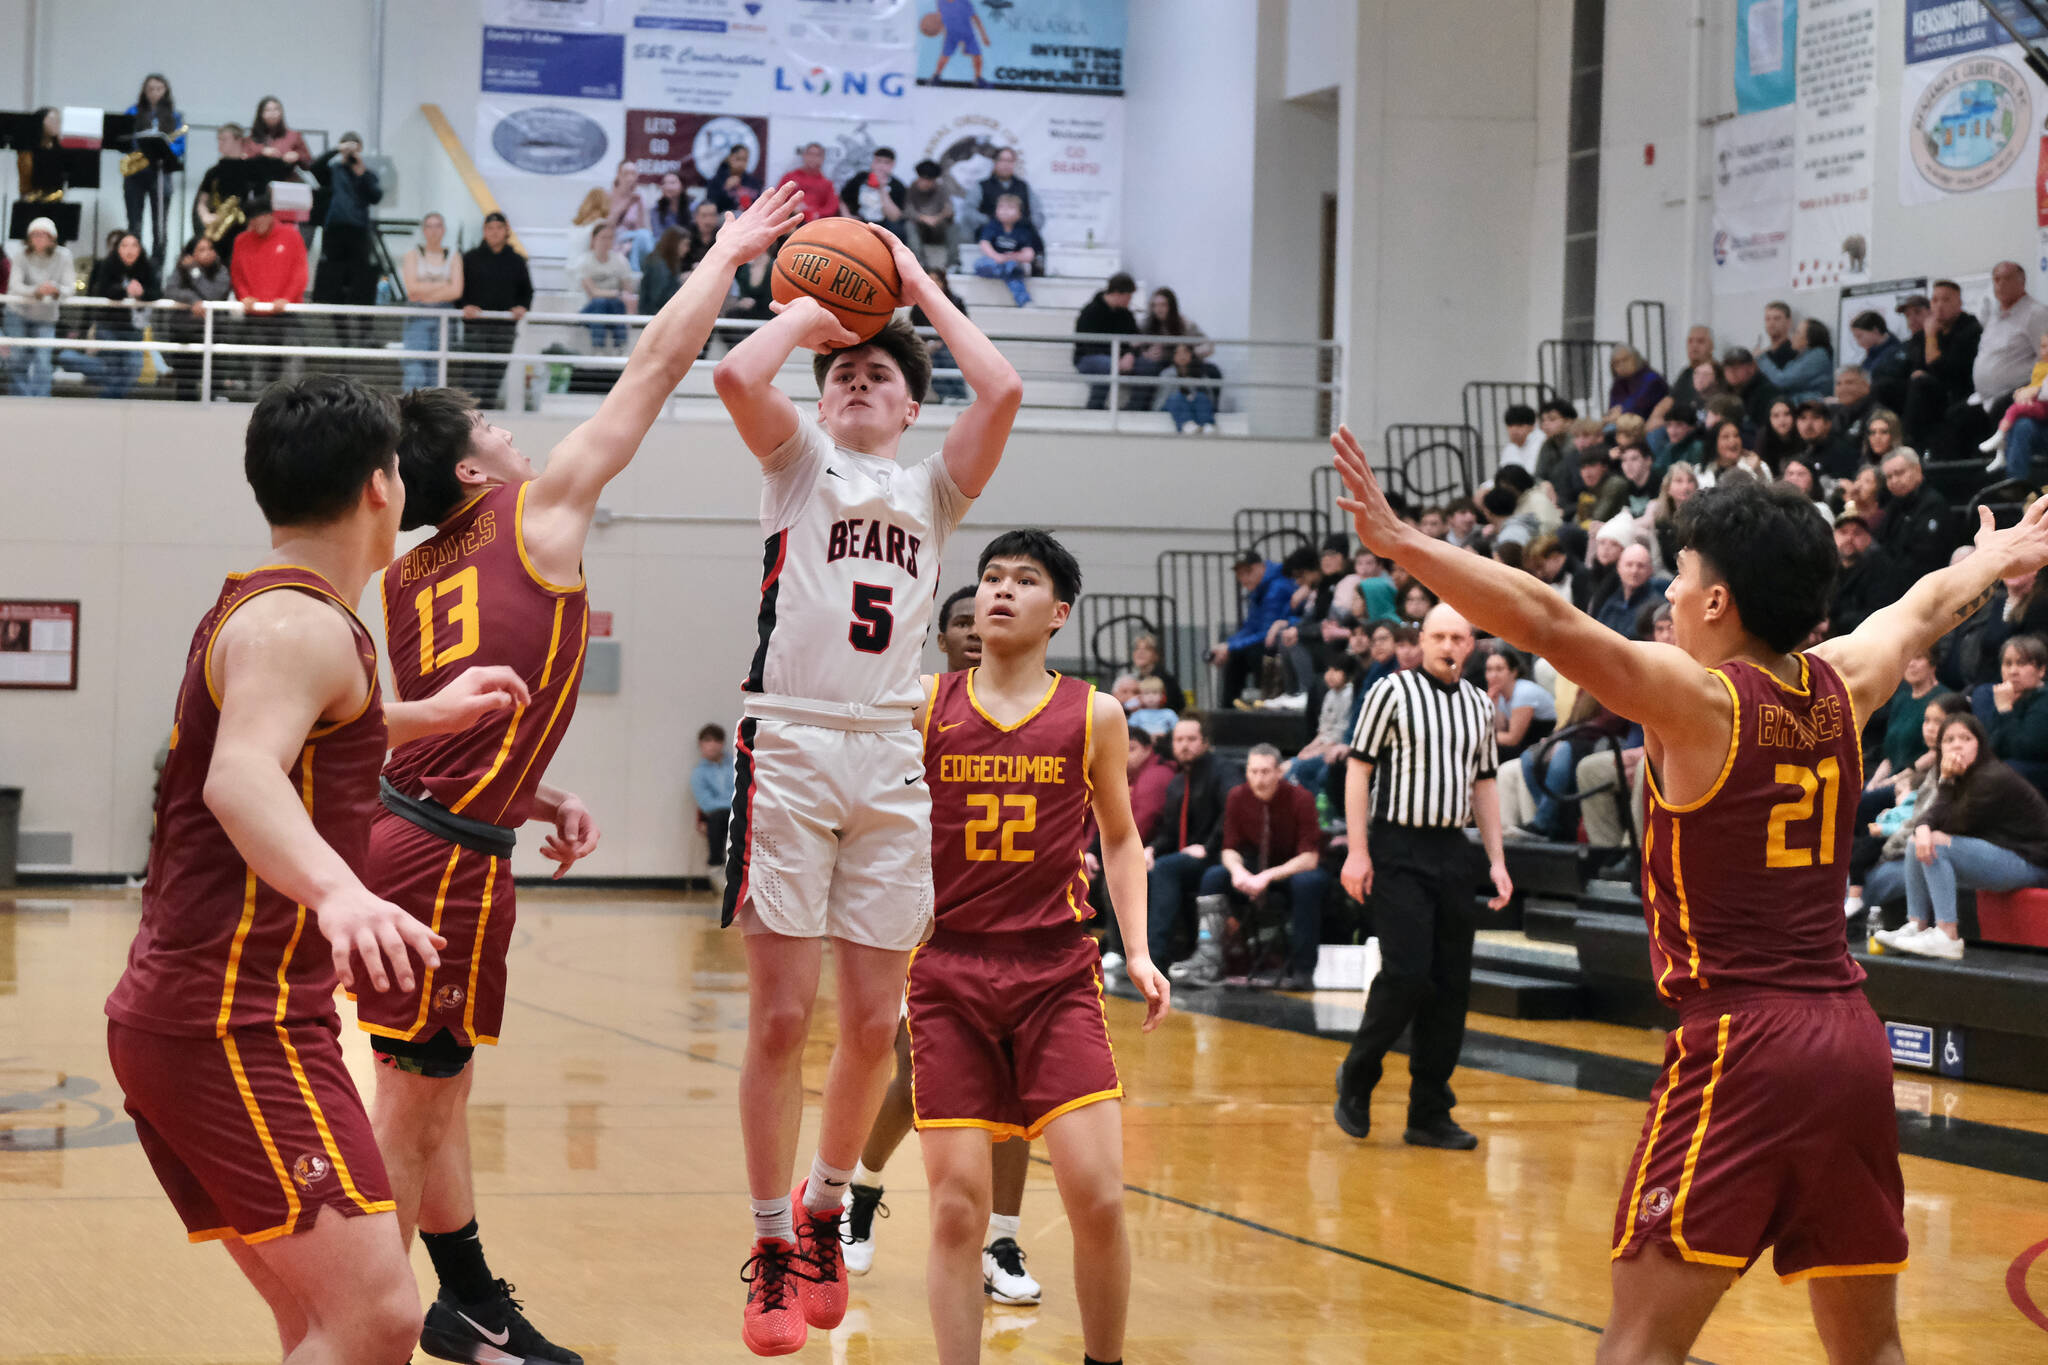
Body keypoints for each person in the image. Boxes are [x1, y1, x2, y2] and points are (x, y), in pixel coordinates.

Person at [1327, 425, 2048, 1364]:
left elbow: (1547, 622)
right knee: (1871, 1351)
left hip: (1744, 1044)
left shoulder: (1701, 698)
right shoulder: (1845, 682)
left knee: (1639, 1346)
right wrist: (1996, 555)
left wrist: (1407, 546)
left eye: (1680, 576)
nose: (1664, 593)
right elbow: (1923, 607)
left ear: (1717, 598)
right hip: (1851, 1041)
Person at [353, 185, 807, 1365]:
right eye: (495, 434)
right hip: (442, 859)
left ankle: (466, 1307)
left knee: (436, 1092)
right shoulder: (536, 510)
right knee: (407, 1111)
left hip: (421, 828)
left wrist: (534, 792)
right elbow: (653, 368)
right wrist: (724, 257)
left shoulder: (404, 582)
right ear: (467, 475)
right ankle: (370, 1327)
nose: (516, 438)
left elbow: (430, 721)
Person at [105, 376, 530, 1365]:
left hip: (203, 1015)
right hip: (232, 1022)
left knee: (320, 1322)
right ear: (384, 486)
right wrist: (342, 893)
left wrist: (435, 714)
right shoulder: (299, 626)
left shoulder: (279, 614)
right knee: (379, 1317)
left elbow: (317, 738)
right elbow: (243, 776)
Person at [709, 220, 1022, 1354]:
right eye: (840, 372)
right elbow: (740, 371)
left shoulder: (935, 491)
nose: (852, 379)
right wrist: (817, 311)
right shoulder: (796, 462)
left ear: (904, 409)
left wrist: (908, 284)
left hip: (891, 752)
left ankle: (828, 1201)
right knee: (783, 1016)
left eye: (875, 374)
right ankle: (768, 1242)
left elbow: (1003, 385)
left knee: (873, 1021)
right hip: (788, 743)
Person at [910, 529, 1167, 1364]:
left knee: (1096, 1196)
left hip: (1057, 971)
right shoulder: (923, 702)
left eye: (1024, 580)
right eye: (990, 577)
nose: (1000, 591)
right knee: (955, 1208)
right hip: (947, 970)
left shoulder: (1094, 712)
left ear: (1058, 612)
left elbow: (1122, 840)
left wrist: (1138, 948)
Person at [839, 580, 1044, 1307]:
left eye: (978, 618)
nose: (972, 629)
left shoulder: (1042, 708)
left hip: (1016, 930)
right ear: (945, 636)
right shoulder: (921, 706)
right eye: (958, 620)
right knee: (918, 1077)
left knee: (1017, 1085)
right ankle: (859, 1189)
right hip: (919, 922)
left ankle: (1003, 1238)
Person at [1335, 602, 1514, 1150]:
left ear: (1471, 644)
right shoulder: (1391, 691)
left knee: (1451, 985)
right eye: (1437, 636)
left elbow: (1485, 784)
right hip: (1397, 845)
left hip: (1451, 851)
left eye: (1458, 637)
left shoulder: (1480, 706)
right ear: (1422, 640)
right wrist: (1357, 852)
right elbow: (1358, 769)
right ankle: (1359, 1074)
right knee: (1408, 973)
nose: (1447, 646)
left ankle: (1429, 1110)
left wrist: (1497, 860)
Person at [1870, 711, 2048, 961]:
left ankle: (1947, 935)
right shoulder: (1963, 778)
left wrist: (1944, 783)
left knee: (1936, 843)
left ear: (1980, 745)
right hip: (1998, 854)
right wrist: (1923, 827)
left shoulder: (1991, 777)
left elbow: (1954, 824)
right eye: (1949, 740)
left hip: (2031, 864)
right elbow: (1931, 819)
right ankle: (1916, 925)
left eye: (1965, 738)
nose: (1957, 745)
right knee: (1915, 842)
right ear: (1940, 749)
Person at [1149, 717, 1232, 972]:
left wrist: (1208, 846)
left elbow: (1233, 811)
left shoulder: (1223, 771)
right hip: (1187, 857)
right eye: (1179, 740)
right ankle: (1123, 953)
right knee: (1141, 869)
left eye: (1191, 739)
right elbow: (1170, 832)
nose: (1184, 745)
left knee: (1165, 868)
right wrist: (1151, 849)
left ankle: (1155, 958)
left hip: (1220, 856)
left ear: (1205, 742)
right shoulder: (1177, 782)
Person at [227, 191, 308, 391]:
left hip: (287, 315)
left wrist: (287, 299)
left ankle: (293, 413)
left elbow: (300, 271)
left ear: (271, 215)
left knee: (292, 369)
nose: (256, 223)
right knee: (257, 369)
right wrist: (243, 295)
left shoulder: (291, 235)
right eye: (252, 219)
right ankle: (258, 412)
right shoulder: (242, 240)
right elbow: (237, 273)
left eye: (260, 217)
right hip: (256, 316)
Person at [69, 230, 158, 399]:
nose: (129, 250)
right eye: (124, 245)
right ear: (117, 249)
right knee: (114, 368)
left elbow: (157, 292)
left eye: (134, 245)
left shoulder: (147, 266)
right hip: (108, 326)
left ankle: (105, 402)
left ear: (140, 248)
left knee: (133, 368)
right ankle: (111, 406)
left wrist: (141, 293)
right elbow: (103, 290)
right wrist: (125, 290)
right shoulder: (107, 265)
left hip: (134, 328)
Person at [457, 212, 533, 408]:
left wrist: (522, 307)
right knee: (475, 373)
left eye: (499, 228)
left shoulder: (517, 260)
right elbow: (458, 290)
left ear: (506, 231)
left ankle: (488, 419)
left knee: (495, 374)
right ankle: (469, 417)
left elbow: (527, 291)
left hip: (504, 328)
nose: (494, 232)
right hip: (476, 327)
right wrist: (463, 306)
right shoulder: (470, 258)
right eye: (490, 228)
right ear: (484, 231)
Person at [1902, 279, 1983, 451]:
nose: (1939, 306)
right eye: (1935, 300)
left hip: (1961, 392)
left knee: (1920, 385)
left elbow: (1943, 368)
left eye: (1946, 300)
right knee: (1890, 388)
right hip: (1936, 391)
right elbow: (1916, 367)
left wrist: (1931, 337)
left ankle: (1912, 448)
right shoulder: (1923, 333)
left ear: (1959, 304)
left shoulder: (1970, 329)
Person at [1209, 549, 1297, 705]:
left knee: (1254, 653)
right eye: (1240, 574)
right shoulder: (1259, 590)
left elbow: (1264, 632)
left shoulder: (1276, 588)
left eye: (1248, 572)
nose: (1243, 578)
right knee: (1236, 655)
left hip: (1285, 638)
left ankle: (1266, 700)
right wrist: (1228, 645)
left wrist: (1231, 647)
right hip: (1271, 638)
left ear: (1261, 567)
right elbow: (1251, 627)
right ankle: (1228, 708)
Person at [3, 216, 72, 397]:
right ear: (29, 238)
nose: (39, 238)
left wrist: (55, 289)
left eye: (43, 234)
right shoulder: (20, 255)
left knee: (43, 359)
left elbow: (70, 287)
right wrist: (37, 291)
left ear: (52, 237)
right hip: (17, 313)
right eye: (35, 234)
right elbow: (14, 286)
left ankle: (41, 400)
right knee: (17, 358)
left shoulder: (64, 256)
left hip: (46, 316)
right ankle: (21, 399)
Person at [160, 235, 234, 401]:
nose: (208, 253)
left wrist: (194, 271)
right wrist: (193, 300)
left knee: (214, 382)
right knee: (186, 384)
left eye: (210, 249)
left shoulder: (221, 271)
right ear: (191, 254)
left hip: (214, 334)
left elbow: (212, 293)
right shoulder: (180, 269)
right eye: (201, 250)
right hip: (185, 333)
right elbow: (170, 290)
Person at [124, 74, 185, 269]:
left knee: (160, 227)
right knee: (135, 224)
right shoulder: (133, 112)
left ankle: (156, 271)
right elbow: (124, 138)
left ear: (165, 91)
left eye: (159, 88)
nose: (155, 92)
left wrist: (163, 148)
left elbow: (179, 147)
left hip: (160, 174)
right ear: (144, 91)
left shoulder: (175, 116)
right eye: (151, 89)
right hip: (136, 173)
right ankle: (134, 267)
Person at [400, 213, 464, 393]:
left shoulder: (453, 256)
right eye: (429, 226)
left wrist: (425, 290)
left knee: (437, 370)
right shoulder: (412, 255)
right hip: (417, 317)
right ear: (424, 230)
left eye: (438, 226)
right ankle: (411, 414)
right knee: (415, 370)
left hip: (444, 316)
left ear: (443, 230)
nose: (434, 231)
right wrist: (444, 285)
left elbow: (456, 291)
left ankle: (434, 416)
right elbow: (412, 289)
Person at [1288, 653, 1361, 797]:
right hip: (1324, 746)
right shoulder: (1330, 694)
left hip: (1336, 749)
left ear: (1348, 675)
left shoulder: (1349, 695)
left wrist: (1315, 752)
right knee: (1285, 768)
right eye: (1329, 670)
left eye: (1336, 671)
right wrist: (1308, 749)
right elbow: (1322, 731)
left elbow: (1339, 735)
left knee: (1297, 771)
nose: (1330, 675)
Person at [1073, 272, 1140, 410]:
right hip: (1087, 359)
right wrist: (1117, 358)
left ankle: (1137, 407)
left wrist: (1130, 354)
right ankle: (1094, 407)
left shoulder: (1126, 315)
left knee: (1147, 365)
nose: (1130, 300)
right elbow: (1087, 345)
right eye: (1128, 296)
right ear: (1117, 293)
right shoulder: (1090, 312)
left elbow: (1136, 338)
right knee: (1107, 365)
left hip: (1118, 358)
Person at [1485, 643, 1556, 760]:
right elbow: (1501, 728)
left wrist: (1479, 736)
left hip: (1547, 739)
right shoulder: (1500, 694)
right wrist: (1493, 705)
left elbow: (1512, 739)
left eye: (1499, 669)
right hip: (1528, 742)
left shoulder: (1523, 692)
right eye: (1489, 670)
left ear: (1513, 672)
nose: (1493, 675)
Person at [193, 124, 250, 261]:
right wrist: (205, 215)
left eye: (224, 139)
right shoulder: (213, 172)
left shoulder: (251, 169)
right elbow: (201, 201)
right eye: (219, 139)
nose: (220, 143)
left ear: (238, 140)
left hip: (243, 231)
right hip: (218, 230)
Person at [575, 222, 635, 351]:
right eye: (603, 237)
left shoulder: (620, 261)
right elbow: (593, 292)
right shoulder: (584, 261)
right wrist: (616, 293)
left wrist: (620, 296)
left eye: (610, 237)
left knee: (615, 303)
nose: (607, 241)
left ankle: (620, 346)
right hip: (589, 309)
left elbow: (627, 290)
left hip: (613, 307)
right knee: (600, 302)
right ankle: (598, 347)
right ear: (594, 238)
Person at [973, 193, 1042, 306]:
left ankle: (1024, 301)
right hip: (994, 262)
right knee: (980, 264)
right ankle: (1007, 270)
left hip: (1011, 262)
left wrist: (1008, 258)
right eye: (1001, 207)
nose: (1005, 211)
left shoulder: (1023, 230)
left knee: (1013, 270)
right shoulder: (992, 225)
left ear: (1020, 213)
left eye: (1010, 208)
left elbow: (1029, 254)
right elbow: (984, 244)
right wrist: (997, 257)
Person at [694, 724, 736, 895]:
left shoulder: (735, 765)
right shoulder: (699, 773)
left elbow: (742, 791)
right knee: (719, 818)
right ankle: (716, 866)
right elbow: (706, 803)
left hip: (737, 812)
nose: (712, 745)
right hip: (716, 816)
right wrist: (728, 805)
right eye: (707, 740)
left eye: (716, 740)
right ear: (701, 744)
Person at [1757, 318, 1834, 404]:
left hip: (1813, 407)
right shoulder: (1804, 355)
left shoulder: (1818, 355)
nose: (1793, 336)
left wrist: (1761, 358)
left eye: (1797, 333)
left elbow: (1782, 381)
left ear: (1808, 340)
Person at [840, 147, 908, 241]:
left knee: (898, 230)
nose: (881, 166)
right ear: (872, 162)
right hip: (861, 220)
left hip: (884, 224)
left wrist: (882, 189)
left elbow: (894, 217)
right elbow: (843, 197)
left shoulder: (898, 186)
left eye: (886, 163)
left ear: (892, 165)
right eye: (878, 161)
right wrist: (846, 215)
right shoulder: (861, 178)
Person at [904, 159, 958, 271]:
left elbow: (949, 210)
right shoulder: (912, 188)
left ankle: (953, 263)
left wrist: (938, 218)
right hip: (921, 227)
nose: (924, 182)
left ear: (934, 180)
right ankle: (919, 262)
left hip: (938, 227)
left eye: (928, 180)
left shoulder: (942, 189)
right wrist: (924, 218)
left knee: (955, 227)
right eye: (922, 178)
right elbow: (908, 210)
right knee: (909, 226)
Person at [1160, 342, 1224, 433]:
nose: (1182, 356)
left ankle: (1207, 425)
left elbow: (1209, 397)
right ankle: (1186, 424)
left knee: (1200, 397)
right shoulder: (1167, 374)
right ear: (1173, 356)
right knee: (1176, 398)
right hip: (1174, 406)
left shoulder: (1200, 373)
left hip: (1194, 405)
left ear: (1191, 354)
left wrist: (1192, 397)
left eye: (1185, 352)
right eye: (1178, 353)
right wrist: (1185, 398)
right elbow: (1164, 397)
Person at [776, 142, 841, 223]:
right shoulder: (790, 177)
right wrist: (792, 210)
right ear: (804, 156)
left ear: (822, 159)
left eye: (817, 155)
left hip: (815, 223)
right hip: (790, 221)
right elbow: (778, 199)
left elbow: (831, 207)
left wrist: (815, 214)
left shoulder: (827, 184)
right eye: (810, 154)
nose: (813, 158)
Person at [976, 145, 1040, 227]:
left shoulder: (1024, 186)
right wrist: (991, 222)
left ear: (1014, 163)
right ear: (995, 162)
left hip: (1020, 237)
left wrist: (1024, 226)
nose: (1005, 164)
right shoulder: (981, 186)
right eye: (1002, 160)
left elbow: (1037, 213)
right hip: (989, 236)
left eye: (1009, 161)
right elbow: (969, 212)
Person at [1605, 344, 1668, 422]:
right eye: (1616, 363)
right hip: (1623, 424)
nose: (1621, 365)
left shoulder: (1651, 379)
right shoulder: (1617, 385)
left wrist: (1621, 411)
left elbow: (1638, 406)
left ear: (1636, 359)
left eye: (1625, 360)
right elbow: (1612, 410)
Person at [638, 227, 689, 318]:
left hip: (660, 314)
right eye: (685, 244)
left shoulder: (667, 262)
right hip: (655, 315)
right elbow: (658, 298)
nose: (687, 249)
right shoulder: (659, 265)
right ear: (674, 244)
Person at [705, 145, 763, 216]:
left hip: (749, 218)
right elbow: (711, 207)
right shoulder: (717, 180)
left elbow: (759, 205)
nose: (741, 163)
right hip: (725, 219)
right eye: (738, 159)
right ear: (730, 158)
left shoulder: (753, 182)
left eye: (744, 160)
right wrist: (725, 188)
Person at [1756, 398, 1803, 468]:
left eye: (1787, 414)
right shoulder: (1763, 437)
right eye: (1776, 416)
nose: (1782, 420)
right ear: (1769, 419)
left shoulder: (1803, 434)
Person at [1498, 403, 1545, 474]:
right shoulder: (1509, 448)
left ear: (1532, 427)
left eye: (1519, 425)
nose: (1514, 431)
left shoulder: (1541, 443)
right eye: (1510, 426)